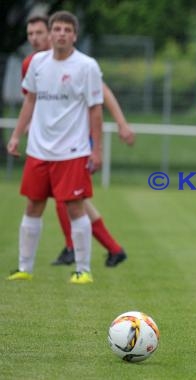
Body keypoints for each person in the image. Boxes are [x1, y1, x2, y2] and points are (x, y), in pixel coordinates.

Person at [22, 15, 135, 268]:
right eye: (31, 34)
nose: (36, 39)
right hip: (46, 142)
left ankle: (76, 248)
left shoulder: (79, 64)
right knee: (71, 198)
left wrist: (121, 123)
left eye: (40, 33)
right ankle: (109, 248)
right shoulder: (33, 64)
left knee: (70, 197)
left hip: (74, 139)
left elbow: (102, 93)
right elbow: (32, 101)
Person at [6, 10, 105, 284]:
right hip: (38, 149)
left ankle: (83, 270)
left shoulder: (86, 66)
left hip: (72, 151)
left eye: (67, 30)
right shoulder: (37, 62)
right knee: (33, 205)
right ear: (51, 34)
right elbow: (30, 101)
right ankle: (25, 267)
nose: (61, 34)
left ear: (74, 35)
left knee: (75, 207)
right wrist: (16, 135)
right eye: (57, 29)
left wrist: (96, 150)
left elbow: (95, 110)